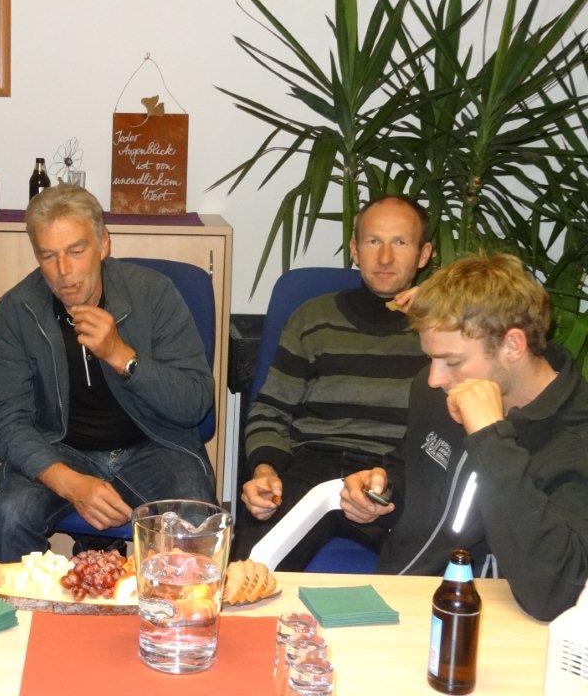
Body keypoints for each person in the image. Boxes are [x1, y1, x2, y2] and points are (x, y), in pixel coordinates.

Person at [341, 253, 588, 621]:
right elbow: (415, 473)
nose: (434, 379)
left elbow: (556, 593)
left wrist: (491, 437)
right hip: (398, 598)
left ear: (513, 345)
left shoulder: (575, 438)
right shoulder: (438, 392)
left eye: (452, 362)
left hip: (487, 623)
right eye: (431, 358)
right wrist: (383, 490)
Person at [0, 185, 217, 562]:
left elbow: (194, 402)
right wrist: (70, 484)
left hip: (153, 444)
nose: (64, 271)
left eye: (76, 251)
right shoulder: (18, 310)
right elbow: (4, 419)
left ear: (103, 244)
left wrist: (120, 355)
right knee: (11, 519)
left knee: (195, 522)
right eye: (48, 256)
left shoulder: (153, 294)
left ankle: (172, 603)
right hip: (62, 450)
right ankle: (28, 604)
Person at [231, 195, 433, 566]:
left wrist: (390, 485)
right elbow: (271, 410)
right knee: (250, 572)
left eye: (400, 243)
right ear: (355, 249)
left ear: (424, 255)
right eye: (373, 241)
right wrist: (264, 471)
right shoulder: (313, 318)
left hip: (392, 474)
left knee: (426, 578)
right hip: (311, 467)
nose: (385, 258)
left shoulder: (442, 330)